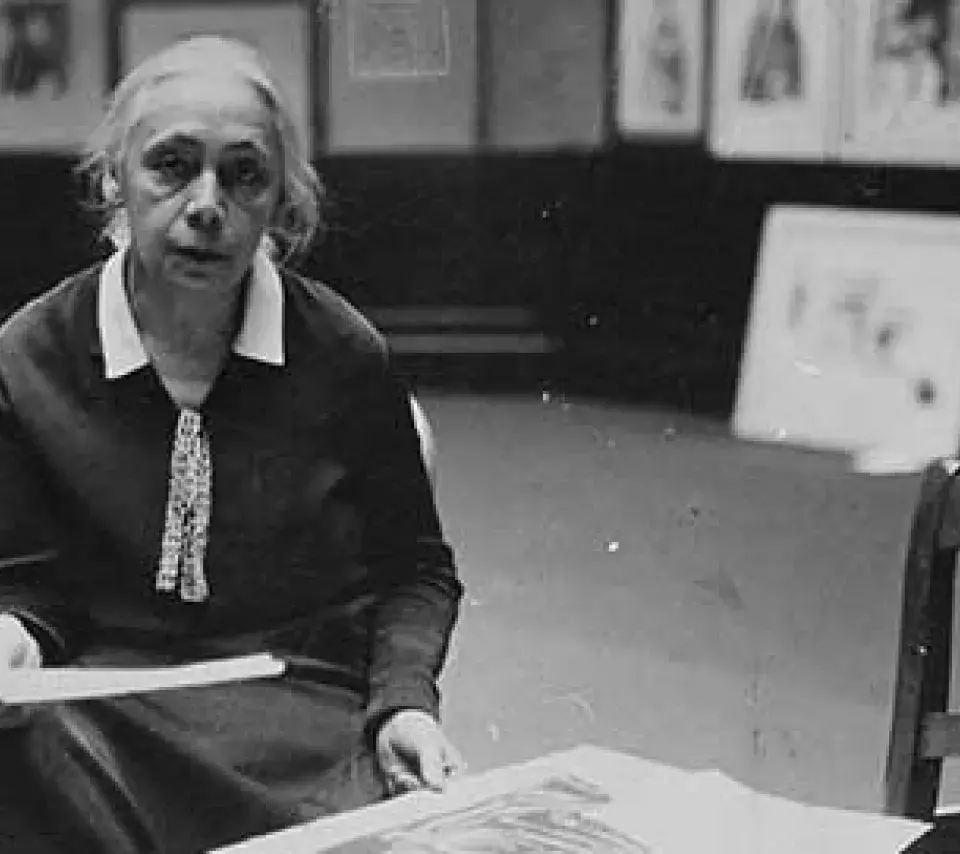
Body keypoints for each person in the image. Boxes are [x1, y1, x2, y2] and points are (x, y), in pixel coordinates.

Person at [0, 34, 464, 853]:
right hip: (105, 717)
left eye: (244, 175)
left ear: (282, 200)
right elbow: (32, 581)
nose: (207, 205)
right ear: (114, 178)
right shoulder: (31, 354)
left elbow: (414, 570)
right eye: (172, 166)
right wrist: (16, 633)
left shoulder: (342, 353)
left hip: (297, 715)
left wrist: (404, 704)